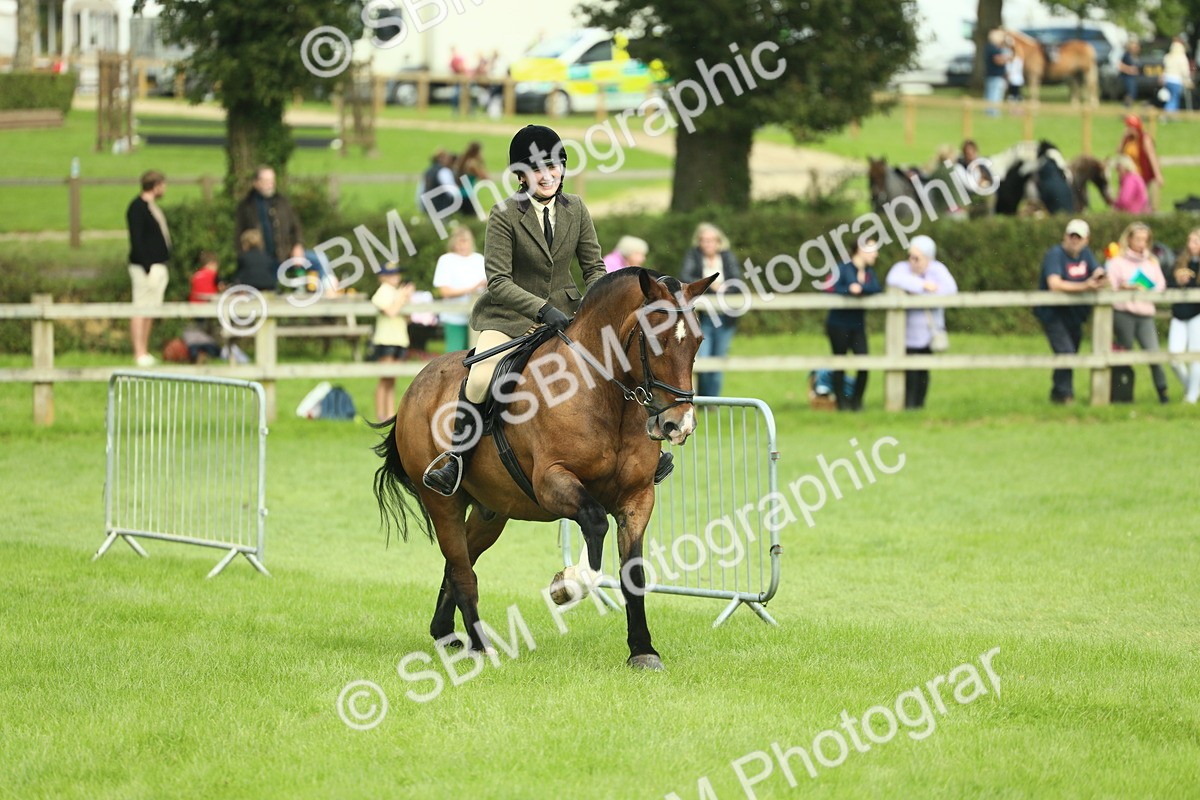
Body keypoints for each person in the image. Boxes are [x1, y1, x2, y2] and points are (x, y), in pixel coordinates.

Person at [422, 124, 611, 496]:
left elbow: (594, 268)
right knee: (479, 377)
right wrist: (542, 310)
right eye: (537, 169)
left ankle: (642, 447)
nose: (547, 175)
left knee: (619, 359)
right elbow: (498, 282)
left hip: (568, 315)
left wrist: (603, 305)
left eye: (553, 166)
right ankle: (457, 458)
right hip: (510, 318)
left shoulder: (577, 209)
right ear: (521, 175)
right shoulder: (504, 214)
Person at [1033, 219, 1107, 404]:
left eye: (1078, 237)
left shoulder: (1085, 254)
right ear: (1065, 236)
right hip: (1054, 313)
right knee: (1066, 352)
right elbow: (1054, 284)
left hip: (1075, 315)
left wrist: (1100, 277)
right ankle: (1066, 395)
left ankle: (1057, 394)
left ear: (1086, 240)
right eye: (1071, 236)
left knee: (1069, 353)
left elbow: (1096, 270)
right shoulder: (1055, 255)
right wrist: (1084, 286)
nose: (1074, 240)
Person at [885, 235, 958, 410]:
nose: (912, 261)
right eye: (910, 256)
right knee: (909, 372)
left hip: (928, 334)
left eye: (917, 257)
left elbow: (950, 290)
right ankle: (908, 405)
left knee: (923, 371)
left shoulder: (938, 270)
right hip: (906, 334)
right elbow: (893, 279)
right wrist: (924, 286)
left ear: (928, 258)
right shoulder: (901, 269)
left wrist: (919, 293)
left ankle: (919, 405)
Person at [1106, 222, 1169, 404]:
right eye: (1138, 239)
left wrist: (1145, 288)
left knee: (1153, 353)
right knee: (1124, 354)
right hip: (1124, 313)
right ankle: (1122, 395)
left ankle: (1163, 393)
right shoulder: (1117, 262)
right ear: (1129, 239)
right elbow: (1111, 286)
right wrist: (1126, 287)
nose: (1142, 243)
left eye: (1145, 240)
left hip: (1145, 314)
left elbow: (1160, 286)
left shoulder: (1151, 262)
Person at [680, 222, 743, 398]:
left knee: (718, 359)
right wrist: (709, 285)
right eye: (704, 240)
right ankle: (701, 398)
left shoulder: (727, 257)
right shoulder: (693, 256)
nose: (708, 244)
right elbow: (686, 279)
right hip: (702, 316)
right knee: (703, 358)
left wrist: (723, 288)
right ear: (699, 242)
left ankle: (713, 401)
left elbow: (737, 281)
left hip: (725, 316)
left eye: (711, 240)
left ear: (718, 242)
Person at [826, 238, 882, 411]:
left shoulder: (868, 272)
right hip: (838, 324)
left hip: (857, 326)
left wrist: (861, 289)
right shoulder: (842, 268)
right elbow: (828, 287)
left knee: (863, 364)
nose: (876, 254)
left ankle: (857, 403)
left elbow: (877, 288)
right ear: (860, 250)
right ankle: (842, 404)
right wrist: (848, 290)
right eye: (872, 250)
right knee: (840, 363)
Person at [126, 169, 171, 367]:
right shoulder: (137, 208)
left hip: (158, 266)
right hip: (145, 267)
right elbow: (137, 240)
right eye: (163, 185)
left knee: (151, 308)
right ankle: (138, 351)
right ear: (156, 185)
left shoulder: (152, 207)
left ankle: (145, 349)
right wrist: (146, 266)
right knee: (140, 307)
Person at [234, 166, 304, 272]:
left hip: (286, 256)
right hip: (261, 261)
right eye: (266, 180)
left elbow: (296, 227)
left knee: (318, 260)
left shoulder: (282, 202)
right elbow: (239, 234)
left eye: (272, 180)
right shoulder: (246, 206)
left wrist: (298, 246)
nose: (270, 184)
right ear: (256, 183)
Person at [432, 226, 487, 352]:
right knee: (454, 353)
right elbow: (444, 291)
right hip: (454, 316)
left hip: (477, 316)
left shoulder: (478, 259)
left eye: (465, 242)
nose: (463, 246)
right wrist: (472, 289)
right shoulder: (446, 260)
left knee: (477, 353)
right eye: (459, 243)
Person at [371, 263, 415, 422]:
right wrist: (402, 297)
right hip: (386, 339)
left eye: (396, 273)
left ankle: (389, 413)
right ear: (383, 277)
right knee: (384, 377)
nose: (395, 277)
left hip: (399, 339)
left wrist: (406, 298)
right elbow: (391, 312)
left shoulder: (397, 292)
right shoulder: (382, 292)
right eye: (391, 274)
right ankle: (380, 413)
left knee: (392, 379)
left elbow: (408, 318)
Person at [1167, 228, 1200, 403]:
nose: (1191, 245)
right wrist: (1178, 281)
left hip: (1197, 315)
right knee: (1174, 357)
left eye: (1196, 241)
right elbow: (1167, 284)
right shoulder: (1180, 261)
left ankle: (1192, 397)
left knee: (1196, 356)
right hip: (1179, 314)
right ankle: (1190, 387)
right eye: (1190, 240)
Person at [1118, 115, 1164, 212]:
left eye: (1129, 127)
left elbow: (1152, 157)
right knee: (1128, 202)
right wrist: (1122, 139)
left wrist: (1158, 175)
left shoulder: (1144, 139)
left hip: (1142, 176)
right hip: (1130, 177)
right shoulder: (1127, 140)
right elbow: (1119, 153)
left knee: (1145, 202)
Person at [419, 149, 458, 218]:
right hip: (441, 208)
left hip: (428, 207)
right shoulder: (444, 171)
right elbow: (453, 191)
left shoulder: (428, 171)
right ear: (441, 159)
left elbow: (420, 191)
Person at [454, 142, 489, 217]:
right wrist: (482, 162)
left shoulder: (464, 161)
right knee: (476, 217)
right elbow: (486, 178)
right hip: (467, 195)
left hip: (460, 194)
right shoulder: (472, 164)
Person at [1161, 38, 1193, 118]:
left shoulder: (1168, 57)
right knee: (1174, 99)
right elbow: (1185, 72)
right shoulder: (1182, 58)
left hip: (1167, 79)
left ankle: (1173, 116)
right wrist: (1188, 81)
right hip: (1176, 80)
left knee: (1171, 98)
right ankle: (1166, 116)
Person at [983, 29, 1009, 117]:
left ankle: (990, 111)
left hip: (990, 75)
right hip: (996, 75)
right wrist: (1006, 59)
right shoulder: (993, 48)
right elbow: (997, 60)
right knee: (995, 95)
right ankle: (993, 112)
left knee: (990, 94)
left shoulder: (988, 47)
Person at [1118, 39, 1141, 107]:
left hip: (1134, 77)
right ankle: (1126, 106)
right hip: (1127, 77)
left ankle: (1128, 106)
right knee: (1130, 92)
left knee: (1133, 92)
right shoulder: (1126, 55)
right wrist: (1129, 69)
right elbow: (1120, 65)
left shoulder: (1136, 55)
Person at [1005, 36, 1025, 105]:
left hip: (1013, 80)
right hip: (1018, 80)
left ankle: (1015, 111)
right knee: (1017, 96)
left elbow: (1009, 71)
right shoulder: (1018, 59)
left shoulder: (1011, 60)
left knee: (1013, 97)